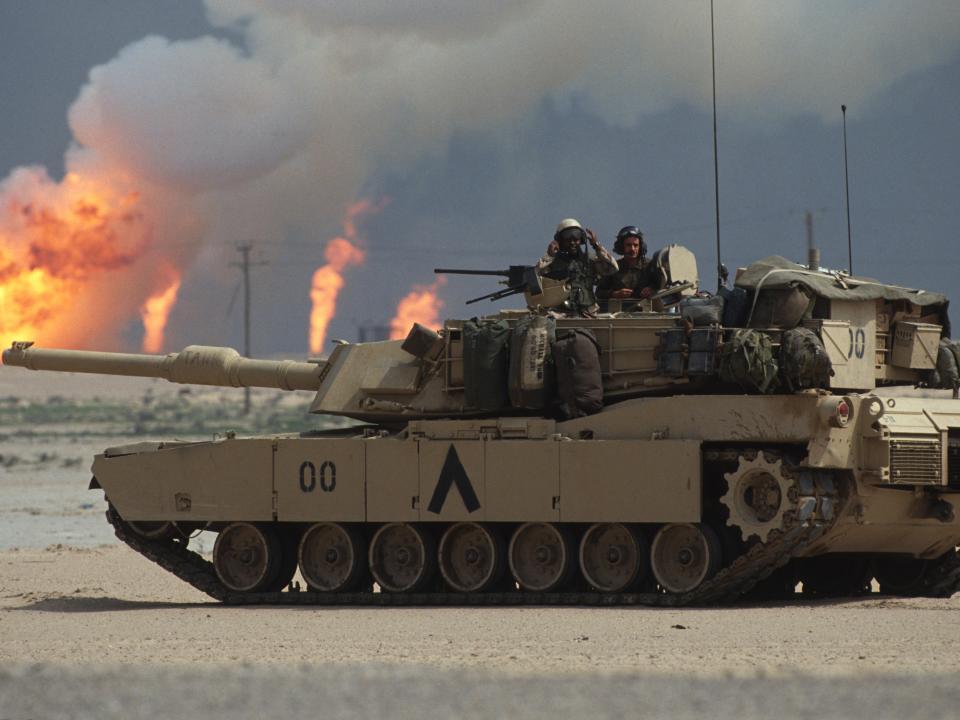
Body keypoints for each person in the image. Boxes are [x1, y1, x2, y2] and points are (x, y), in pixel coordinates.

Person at [536, 218, 618, 315]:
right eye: (568, 240)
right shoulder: (553, 262)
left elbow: (613, 268)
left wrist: (597, 246)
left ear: (582, 240)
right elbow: (535, 275)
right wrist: (549, 256)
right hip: (560, 314)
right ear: (560, 241)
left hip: (588, 313)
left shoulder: (590, 260)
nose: (572, 243)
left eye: (576, 239)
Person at [596, 225, 659, 305]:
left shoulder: (650, 266)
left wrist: (651, 289)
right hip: (618, 313)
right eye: (628, 245)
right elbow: (599, 292)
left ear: (640, 247)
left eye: (635, 245)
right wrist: (615, 294)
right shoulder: (614, 267)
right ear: (622, 246)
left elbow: (662, 285)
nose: (632, 249)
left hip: (647, 311)